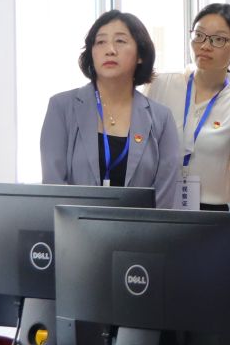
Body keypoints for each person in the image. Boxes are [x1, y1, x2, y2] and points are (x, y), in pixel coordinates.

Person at [40, 10, 181, 205]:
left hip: (141, 225)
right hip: (74, 223)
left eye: (120, 41)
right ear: (91, 53)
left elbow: (164, 195)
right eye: (100, 42)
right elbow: (53, 186)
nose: (110, 50)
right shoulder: (61, 107)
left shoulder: (161, 118)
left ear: (140, 55)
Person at [146, 3, 230, 209]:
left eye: (218, 39)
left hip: (212, 211)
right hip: (159, 204)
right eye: (199, 35)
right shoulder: (161, 85)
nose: (205, 46)